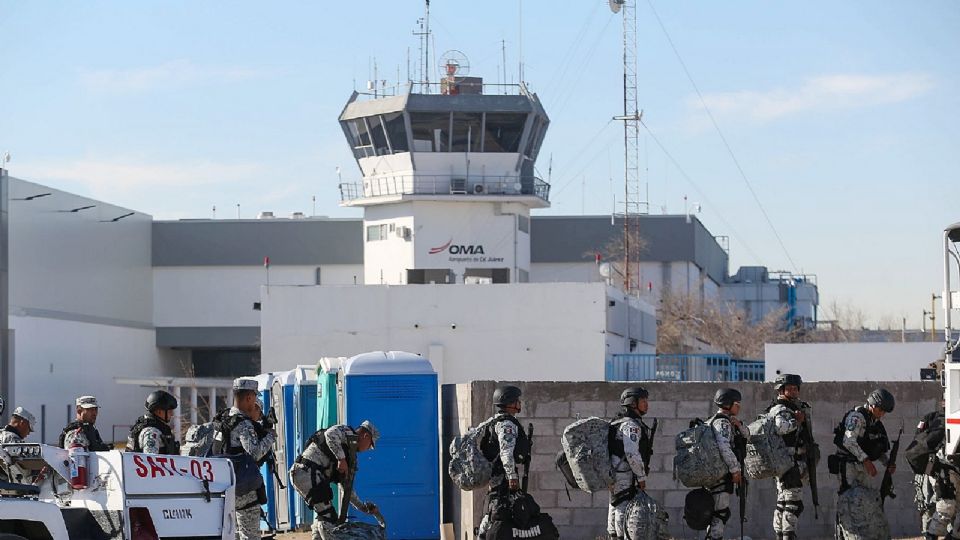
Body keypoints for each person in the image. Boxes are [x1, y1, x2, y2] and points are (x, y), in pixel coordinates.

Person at [289, 420, 381, 539]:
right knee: (328, 517)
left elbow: (347, 488)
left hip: (308, 475)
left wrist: (362, 507)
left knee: (324, 513)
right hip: (306, 472)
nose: (368, 448)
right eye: (370, 445)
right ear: (366, 436)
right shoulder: (347, 433)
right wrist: (341, 459)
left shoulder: (350, 455)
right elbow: (330, 434)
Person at [214, 378, 276, 540]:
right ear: (249, 397)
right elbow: (254, 453)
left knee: (230, 534)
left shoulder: (224, 417)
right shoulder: (244, 424)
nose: (255, 401)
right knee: (250, 536)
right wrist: (270, 436)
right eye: (254, 397)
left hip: (222, 484)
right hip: (243, 488)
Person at [833, 388, 896, 536]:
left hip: (861, 467)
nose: (882, 414)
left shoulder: (874, 422)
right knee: (847, 501)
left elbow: (875, 446)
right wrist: (867, 461)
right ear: (873, 405)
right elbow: (848, 441)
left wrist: (887, 463)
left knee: (862, 502)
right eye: (880, 410)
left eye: (884, 412)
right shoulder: (857, 418)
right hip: (848, 466)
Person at [476, 384, 531, 539]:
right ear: (508, 402)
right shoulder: (507, 424)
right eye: (516, 400)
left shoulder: (496, 420)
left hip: (497, 474)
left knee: (494, 508)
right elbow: (506, 453)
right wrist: (512, 476)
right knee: (498, 509)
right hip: (502, 475)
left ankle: (482, 535)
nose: (519, 403)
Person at [765, 374, 813, 540]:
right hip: (786, 462)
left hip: (788, 462)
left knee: (783, 502)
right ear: (781, 390)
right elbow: (781, 427)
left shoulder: (793, 406)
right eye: (789, 388)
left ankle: (781, 535)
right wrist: (797, 422)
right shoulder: (780, 408)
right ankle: (788, 535)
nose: (793, 391)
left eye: (795, 388)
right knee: (793, 504)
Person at [607, 386, 653, 540]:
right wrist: (641, 477)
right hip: (623, 471)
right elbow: (632, 453)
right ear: (633, 403)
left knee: (615, 503)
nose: (646, 404)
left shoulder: (617, 421)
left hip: (614, 471)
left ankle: (613, 536)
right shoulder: (631, 425)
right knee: (622, 505)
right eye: (643, 401)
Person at [707, 388, 748, 540]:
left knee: (716, 513)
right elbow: (724, 447)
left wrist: (739, 425)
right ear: (728, 404)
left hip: (715, 474)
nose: (739, 407)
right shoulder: (723, 423)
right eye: (737, 403)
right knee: (720, 512)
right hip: (722, 476)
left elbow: (747, 434)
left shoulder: (714, 420)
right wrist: (735, 470)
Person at [918, 400, 959, 540]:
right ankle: (929, 534)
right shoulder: (933, 418)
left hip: (943, 467)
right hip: (936, 466)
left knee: (941, 503)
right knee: (934, 502)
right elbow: (920, 442)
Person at [125, 390, 180, 455]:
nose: (172, 414)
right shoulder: (151, 433)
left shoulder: (156, 427)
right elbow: (151, 460)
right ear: (159, 411)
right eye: (169, 411)